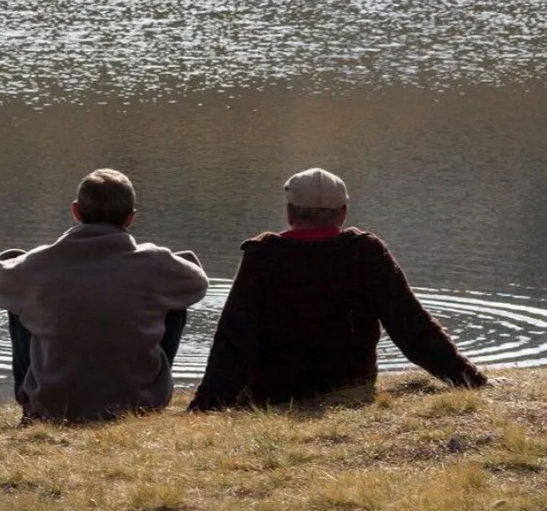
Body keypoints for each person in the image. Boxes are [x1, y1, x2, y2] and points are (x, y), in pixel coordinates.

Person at [188, 167, 487, 411]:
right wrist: (469, 379)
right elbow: (412, 326)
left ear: (290, 213)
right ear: (342, 213)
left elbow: (234, 338)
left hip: (274, 393)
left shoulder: (264, 256)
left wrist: (205, 406)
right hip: (350, 384)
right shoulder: (366, 252)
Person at [0, 168, 209, 423]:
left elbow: (1, 283)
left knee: (19, 296)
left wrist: (18, 259)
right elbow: (197, 284)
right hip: (139, 402)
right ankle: (150, 389)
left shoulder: (38, 264)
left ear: (76, 211)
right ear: (130, 218)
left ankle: (31, 404)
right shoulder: (155, 263)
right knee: (176, 296)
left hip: (54, 405)